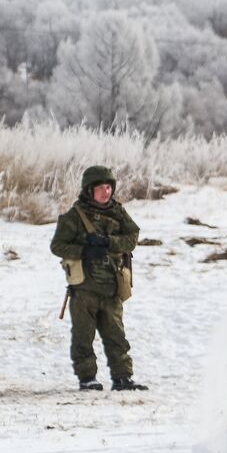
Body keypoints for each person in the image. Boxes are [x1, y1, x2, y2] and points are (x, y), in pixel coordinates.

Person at [50, 166, 147, 392]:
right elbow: (57, 246)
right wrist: (84, 251)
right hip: (84, 289)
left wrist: (110, 243)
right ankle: (87, 378)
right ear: (88, 190)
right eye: (100, 188)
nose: (106, 192)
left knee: (117, 336)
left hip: (112, 287)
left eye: (109, 187)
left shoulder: (118, 213)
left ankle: (122, 378)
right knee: (83, 337)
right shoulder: (75, 216)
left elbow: (132, 237)